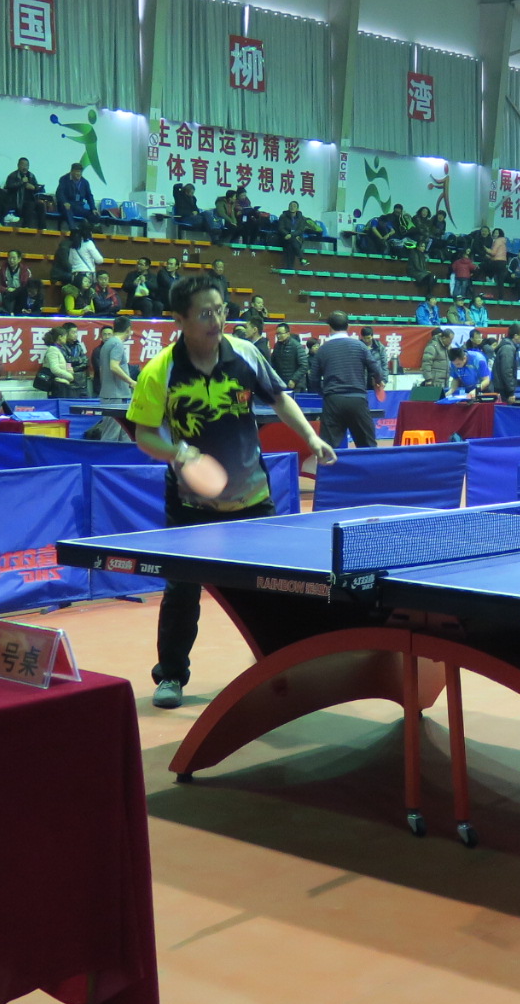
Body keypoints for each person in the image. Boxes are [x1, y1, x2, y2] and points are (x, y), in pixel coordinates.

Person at [125, 275, 333, 709]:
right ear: (179, 319)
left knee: (275, 585)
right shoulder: (160, 370)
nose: (216, 320)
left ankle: (282, 665)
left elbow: (279, 399)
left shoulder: (246, 354)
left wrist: (311, 437)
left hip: (252, 497)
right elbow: (144, 434)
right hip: (190, 503)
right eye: (205, 313)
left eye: (220, 310)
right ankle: (171, 675)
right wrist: (178, 452)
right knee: (182, 590)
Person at [312, 312, 385, 450]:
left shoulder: (322, 350)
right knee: (368, 447)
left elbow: (314, 379)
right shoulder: (360, 346)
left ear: (329, 327)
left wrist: (325, 393)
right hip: (357, 399)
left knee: (328, 449)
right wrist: (378, 381)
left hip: (333, 400)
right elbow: (376, 370)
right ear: (348, 326)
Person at [89, 313, 136, 423]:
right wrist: (131, 382)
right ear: (128, 330)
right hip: (116, 395)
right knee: (112, 430)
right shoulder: (117, 344)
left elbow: (102, 369)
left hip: (110, 394)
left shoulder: (107, 344)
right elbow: (114, 367)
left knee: (121, 430)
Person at [34, 323, 81, 398]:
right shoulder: (53, 350)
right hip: (57, 385)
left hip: (61, 383)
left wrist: (69, 370)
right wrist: (70, 376)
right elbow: (55, 369)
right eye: (65, 336)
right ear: (60, 337)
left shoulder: (58, 349)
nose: (66, 338)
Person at [54, 163, 94, 238]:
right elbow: (59, 193)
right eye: (77, 171)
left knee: (94, 215)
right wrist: (64, 202)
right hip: (66, 205)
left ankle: (90, 231)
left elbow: (89, 196)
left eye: (80, 172)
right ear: (72, 171)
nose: (79, 174)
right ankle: (73, 230)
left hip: (78, 206)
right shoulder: (64, 179)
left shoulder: (84, 182)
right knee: (67, 209)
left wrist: (93, 208)